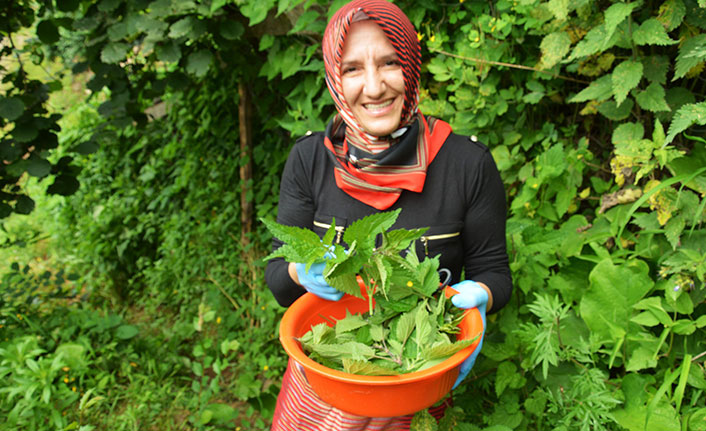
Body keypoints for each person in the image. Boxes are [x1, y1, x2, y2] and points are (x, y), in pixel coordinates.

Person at [264, 0, 512, 429]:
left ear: (412, 66)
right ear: (334, 79)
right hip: (327, 375)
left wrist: (480, 300)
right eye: (353, 69)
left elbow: (495, 273)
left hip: (416, 375)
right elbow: (278, 280)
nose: (375, 87)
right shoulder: (309, 161)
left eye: (389, 62)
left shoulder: (466, 165)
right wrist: (300, 272)